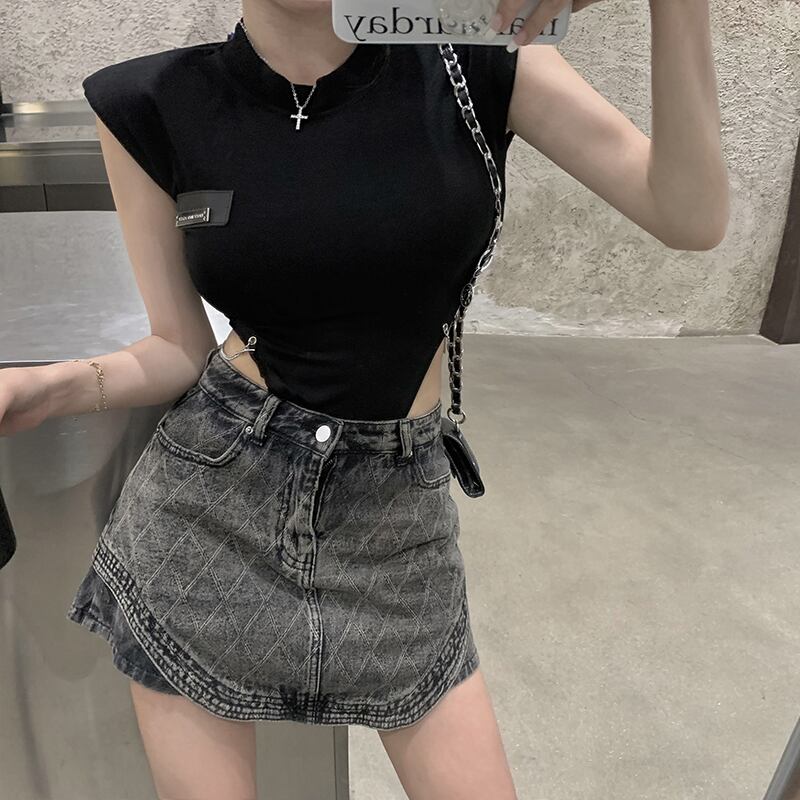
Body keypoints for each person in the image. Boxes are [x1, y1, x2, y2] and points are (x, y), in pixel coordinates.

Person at [0, 0, 728, 797]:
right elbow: (178, 345)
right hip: (207, 516)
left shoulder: (477, 61)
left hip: (397, 525)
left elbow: (689, 216)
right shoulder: (148, 101)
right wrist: (47, 385)